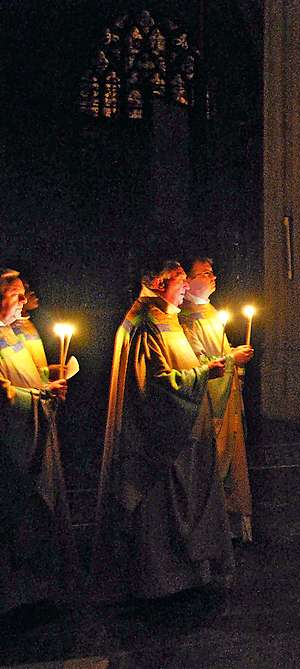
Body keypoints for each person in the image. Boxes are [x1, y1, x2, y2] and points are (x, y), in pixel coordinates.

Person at [92, 260, 233, 600]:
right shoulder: (144, 324)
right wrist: (202, 376)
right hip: (160, 441)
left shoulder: (165, 317)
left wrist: (201, 366)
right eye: (180, 281)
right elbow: (154, 386)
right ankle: (161, 582)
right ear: (157, 282)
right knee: (159, 513)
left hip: (184, 435)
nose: (185, 288)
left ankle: (188, 575)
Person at [0, 269, 76, 614]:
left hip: (33, 432)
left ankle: (38, 590)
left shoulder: (13, 332)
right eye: (15, 296)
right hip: (11, 445)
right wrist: (39, 394)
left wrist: (49, 377)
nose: (23, 302)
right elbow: (5, 393)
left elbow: (25, 375)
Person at [179, 257, 256, 543]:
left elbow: (219, 353)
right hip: (210, 406)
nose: (213, 277)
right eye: (205, 273)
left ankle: (233, 526)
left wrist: (234, 357)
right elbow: (197, 362)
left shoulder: (209, 311)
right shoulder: (185, 319)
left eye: (213, 272)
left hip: (227, 398)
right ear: (187, 283)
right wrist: (229, 358)